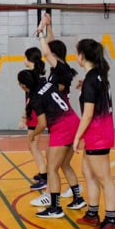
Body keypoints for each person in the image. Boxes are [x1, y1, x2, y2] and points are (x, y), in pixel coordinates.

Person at [30, 13, 85, 210]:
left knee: (52, 166)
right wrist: (49, 26)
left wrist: (40, 31)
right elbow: (51, 47)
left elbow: (47, 52)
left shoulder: (61, 69)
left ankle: (51, 201)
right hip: (68, 119)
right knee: (63, 164)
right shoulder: (60, 69)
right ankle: (77, 198)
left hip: (61, 121)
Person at [72, 38, 115, 229]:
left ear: (83, 55)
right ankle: (92, 213)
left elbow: (88, 113)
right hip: (98, 131)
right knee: (88, 172)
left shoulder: (92, 79)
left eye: (77, 53)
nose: (76, 57)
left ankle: (110, 219)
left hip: (98, 133)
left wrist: (77, 137)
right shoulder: (97, 76)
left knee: (104, 178)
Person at [21, 46, 48, 190]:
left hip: (34, 114)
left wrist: (23, 117)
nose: (23, 59)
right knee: (32, 146)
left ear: (29, 59)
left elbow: (30, 99)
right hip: (35, 113)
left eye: (24, 57)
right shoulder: (38, 76)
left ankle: (44, 176)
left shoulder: (32, 76)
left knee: (33, 146)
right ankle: (43, 171)